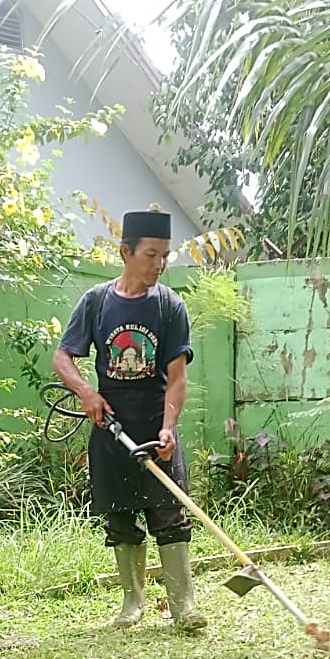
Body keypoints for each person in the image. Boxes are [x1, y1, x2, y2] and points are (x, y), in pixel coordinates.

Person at [53, 205, 207, 631]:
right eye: (150, 255)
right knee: (120, 517)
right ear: (126, 252)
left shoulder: (170, 305)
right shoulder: (97, 302)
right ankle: (132, 605)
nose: (159, 264)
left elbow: (177, 378)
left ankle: (183, 606)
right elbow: (62, 357)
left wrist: (168, 428)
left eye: (165, 256)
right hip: (110, 426)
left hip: (156, 424)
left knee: (169, 514)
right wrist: (86, 392)